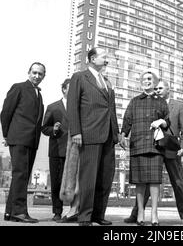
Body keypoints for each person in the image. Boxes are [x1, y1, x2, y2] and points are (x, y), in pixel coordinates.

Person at [124, 79, 183, 226]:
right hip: (153, 147)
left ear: (168, 89)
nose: (158, 90)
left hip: (170, 148)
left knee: (178, 182)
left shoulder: (178, 106)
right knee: (147, 181)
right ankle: (136, 214)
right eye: (156, 88)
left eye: (161, 88)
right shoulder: (150, 102)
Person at [67, 47, 120, 226]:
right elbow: (72, 106)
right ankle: (85, 216)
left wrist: (117, 133)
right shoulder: (79, 77)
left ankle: (98, 215)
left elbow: (110, 108)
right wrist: (75, 131)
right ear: (92, 58)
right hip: (89, 133)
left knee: (105, 177)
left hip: (109, 136)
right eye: (103, 57)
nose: (106, 59)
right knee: (88, 177)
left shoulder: (106, 81)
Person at [120, 70, 169, 226]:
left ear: (154, 82)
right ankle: (140, 212)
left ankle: (154, 213)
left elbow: (168, 121)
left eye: (149, 79)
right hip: (138, 144)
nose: (146, 81)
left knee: (155, 182)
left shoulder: (161, 101)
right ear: (140, 82)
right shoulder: (134, 101)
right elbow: (127, 120)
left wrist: (162, 121)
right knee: (139, 182)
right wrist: (123, 135)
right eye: (144, 79)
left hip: (155, 146)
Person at [1, 62, 46, 223]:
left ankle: (10, 212)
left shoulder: (39, 94)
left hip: (32, 141)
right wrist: (6, 135)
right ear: (28, 73)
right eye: (34, 72)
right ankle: (19, 212)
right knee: (20, 174)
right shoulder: (18, 87)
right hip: (19, 138)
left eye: (40, 74)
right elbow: (6, 112)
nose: (37, 76)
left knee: (21, 176)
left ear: (43, 76)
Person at [41, 78, 71, 222]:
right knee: (56, 182)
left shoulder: (80, 107)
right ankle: (57, 211)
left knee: (74, 183)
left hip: (75, 150)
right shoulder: (53, 107)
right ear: (64, 89)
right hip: (57, 150)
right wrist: (53, 129)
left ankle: (73, 211)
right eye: (70, 88)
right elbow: (44, 128)